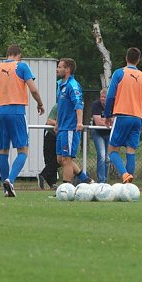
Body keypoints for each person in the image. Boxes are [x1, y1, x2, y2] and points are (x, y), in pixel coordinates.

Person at [0, 44, 46, 197]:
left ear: (7, 54)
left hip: (0, 112)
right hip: (17, 111)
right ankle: (10, 180)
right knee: (23, 149)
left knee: (3, 150)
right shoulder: (22, 66)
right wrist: (40, 103)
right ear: (18, 55)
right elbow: (33, 89)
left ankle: (6, 189)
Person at [104, 47, 142, 184]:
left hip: (122, 115)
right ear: (139, 60)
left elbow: (110, 95)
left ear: (126, 58)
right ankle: (129, 185)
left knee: (112, 150)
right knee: (131, 150)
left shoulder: (119, 73)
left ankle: (124, 175)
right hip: (137, 118)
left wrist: (107, 115)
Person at [54, 58, 93, 186]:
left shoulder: (73, 85)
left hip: (70, 128)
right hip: (62, 128)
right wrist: (57, 123)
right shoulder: (60, 84)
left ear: (68, 70)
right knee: (60, 159)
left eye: (60, 67)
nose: (57, 69)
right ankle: (86, 180)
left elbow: (78, 104)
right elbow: (60, 107)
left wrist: (79, 123)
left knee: (67, 159)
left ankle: (66, 189)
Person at [90, 88, 110, 184]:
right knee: (101, 156)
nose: (103, 99)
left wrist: (106, 121)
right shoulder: (96, 105)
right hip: (98, 132)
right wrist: (107, 121)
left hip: (109, 133)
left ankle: (105, 180)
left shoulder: (112, 105)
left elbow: (115, 120)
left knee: (107, 158)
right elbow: (97, 122)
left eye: (105, 97)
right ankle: (101, 180)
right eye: (101, 97)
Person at [38, 105, 59, 190]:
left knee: (59, 159)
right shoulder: (57, 107)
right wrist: (60, 124)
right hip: (50, 134)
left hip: (60, 135)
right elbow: (49, 121)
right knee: (52, 159)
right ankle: (45, 177)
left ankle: (49, 180)